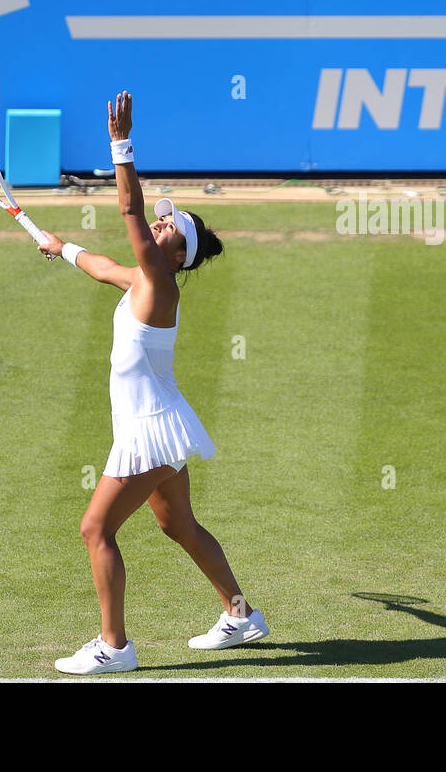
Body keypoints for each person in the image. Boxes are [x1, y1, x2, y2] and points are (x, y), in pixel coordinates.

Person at [38, 90, 268, 675]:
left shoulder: (162, 285)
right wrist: (63, 248)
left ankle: (114, 647)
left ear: (177, 255)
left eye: (171, 226)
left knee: (95, 529)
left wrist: (121, 145)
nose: (160, 223)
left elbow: (129, 212)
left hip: (147, 431)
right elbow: (103, 268)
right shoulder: (143, 281)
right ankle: (241, 613)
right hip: (163, 425)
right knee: (177, 523)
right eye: (164, 219)